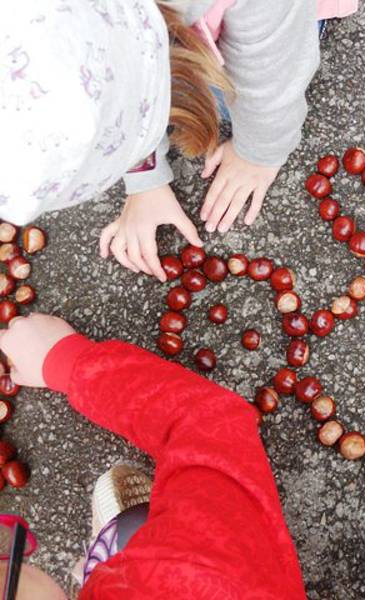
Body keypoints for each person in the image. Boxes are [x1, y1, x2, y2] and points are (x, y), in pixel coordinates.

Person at [0, 0, 320, 282]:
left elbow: (276, 77)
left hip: (282, 23)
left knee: (225, 93)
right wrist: (145, 177)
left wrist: (259, 153)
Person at [0, 313, 305, 599]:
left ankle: (111, 573)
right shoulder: (194, 581)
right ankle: (129, 561)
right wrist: (66, 362)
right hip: (180, 567)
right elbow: (211, 426)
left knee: (137, 537)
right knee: (157, 530)